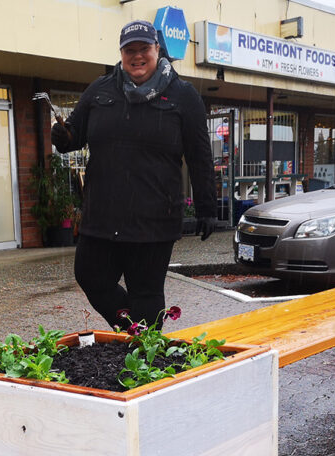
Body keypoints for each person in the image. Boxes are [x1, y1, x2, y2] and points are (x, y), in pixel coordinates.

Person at [51, 19, 217, 331]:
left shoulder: (183, 96)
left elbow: (199, 156)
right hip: (102, 215)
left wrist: (208, 207)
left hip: (154, 218)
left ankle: (145, 359)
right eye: (130, 49)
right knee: (91, 277)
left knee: (146, 292)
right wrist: (63, 136)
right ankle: (136, 332)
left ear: (157, 50)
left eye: (144, 49)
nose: (137, 56)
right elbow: (75, 132)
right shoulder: (101, 89)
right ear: (121, 53)